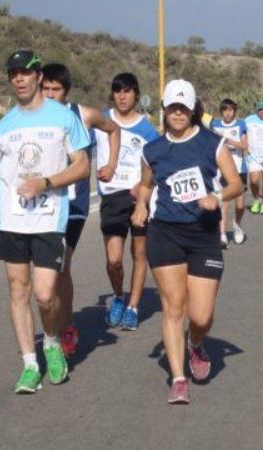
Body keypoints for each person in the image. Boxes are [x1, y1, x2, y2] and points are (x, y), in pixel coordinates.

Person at [0, 50, 92, 394]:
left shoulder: (63, 117)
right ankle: (29, 364)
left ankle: (52, 341)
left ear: (39, 76)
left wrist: (45, 183)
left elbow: (82, 166)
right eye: (13, 73)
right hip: (11, 220)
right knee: (17, 289)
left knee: (44, 295)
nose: (19, 79)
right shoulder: (4, 126)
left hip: (48, 218)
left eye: (25, 73)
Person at [132, 79, 242, 404]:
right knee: (173, 307)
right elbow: (146, 185)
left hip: (204, 234)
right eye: (172, 108)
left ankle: (196, 344)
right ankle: (178, 377)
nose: (178, 113)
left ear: (193, 110)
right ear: (164, 110)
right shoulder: (151, 150)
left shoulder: (212, 144)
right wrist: (140, 205)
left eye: (184, 108)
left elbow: (236, 184)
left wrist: (216, 195)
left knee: (201, 316)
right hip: (164, 232)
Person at [40, 63, 120, 357]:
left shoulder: (83, 114)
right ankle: (57, 323)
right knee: (47, 272)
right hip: (43, 204)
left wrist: (110, 164)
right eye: (45, 88)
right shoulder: (35, 118)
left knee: (61, 266)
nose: (50, 94)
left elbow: (113, 130)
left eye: (56, 89)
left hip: (74, 204)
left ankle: (67, 327)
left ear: (66, 91)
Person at [96, 73, 160, 331]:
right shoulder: (101, 121)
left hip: (138, 198)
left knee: (139, 253)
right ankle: (119, 297)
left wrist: (144, 186)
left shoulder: (146, 129)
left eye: (127, 91)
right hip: (111, 198)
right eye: (117, 91)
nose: (122, 96)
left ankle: (133, 307)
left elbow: (157, 163)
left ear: (136, 94)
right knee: (114, 260)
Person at [209, 98, 248, 246]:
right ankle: (222, 234)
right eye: (225, 110)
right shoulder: (215, 124)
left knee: (240, 205)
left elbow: (244, 146)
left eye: (230, 110)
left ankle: (237, 226)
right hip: (222, 169)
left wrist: (227, 140)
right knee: (224, 203)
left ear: (234, 111)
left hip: (239, 168)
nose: (227, 113)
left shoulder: (241, 124)